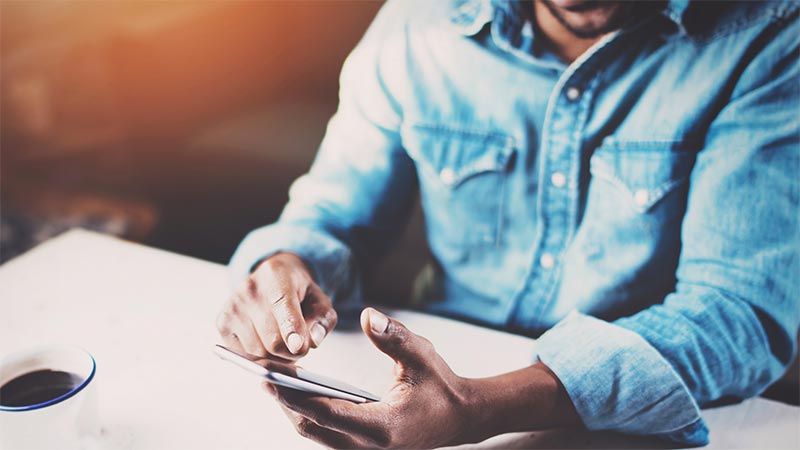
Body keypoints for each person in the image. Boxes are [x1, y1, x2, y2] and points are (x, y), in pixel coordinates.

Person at [216, 0, 800, 447]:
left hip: (635, 426)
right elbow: (331, 216)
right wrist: (285, 266)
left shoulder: (768, 32)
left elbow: (739, 315)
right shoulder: (420, 21)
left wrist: (481, 405)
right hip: (420, 387)